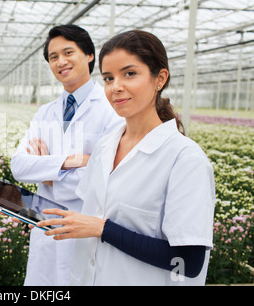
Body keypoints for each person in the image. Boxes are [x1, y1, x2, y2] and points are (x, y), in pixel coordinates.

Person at [36, 30, 216, 286]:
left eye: (129, 74)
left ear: (160, 78)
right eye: (108, 78)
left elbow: (189, 261)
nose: (116, 86)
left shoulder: (185, 159)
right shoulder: (105, 147)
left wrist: (103, 229)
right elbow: (87, 209)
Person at [10, 25, 124, 286]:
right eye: (53, 57)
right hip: (46, 229)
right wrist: (70, 162)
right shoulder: (45, 113)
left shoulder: (111, 110)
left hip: (87, 229)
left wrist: (48, 175)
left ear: (89, 55)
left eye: (68, 52)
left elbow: (109, 179)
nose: (61, 61)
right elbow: (19, 166)